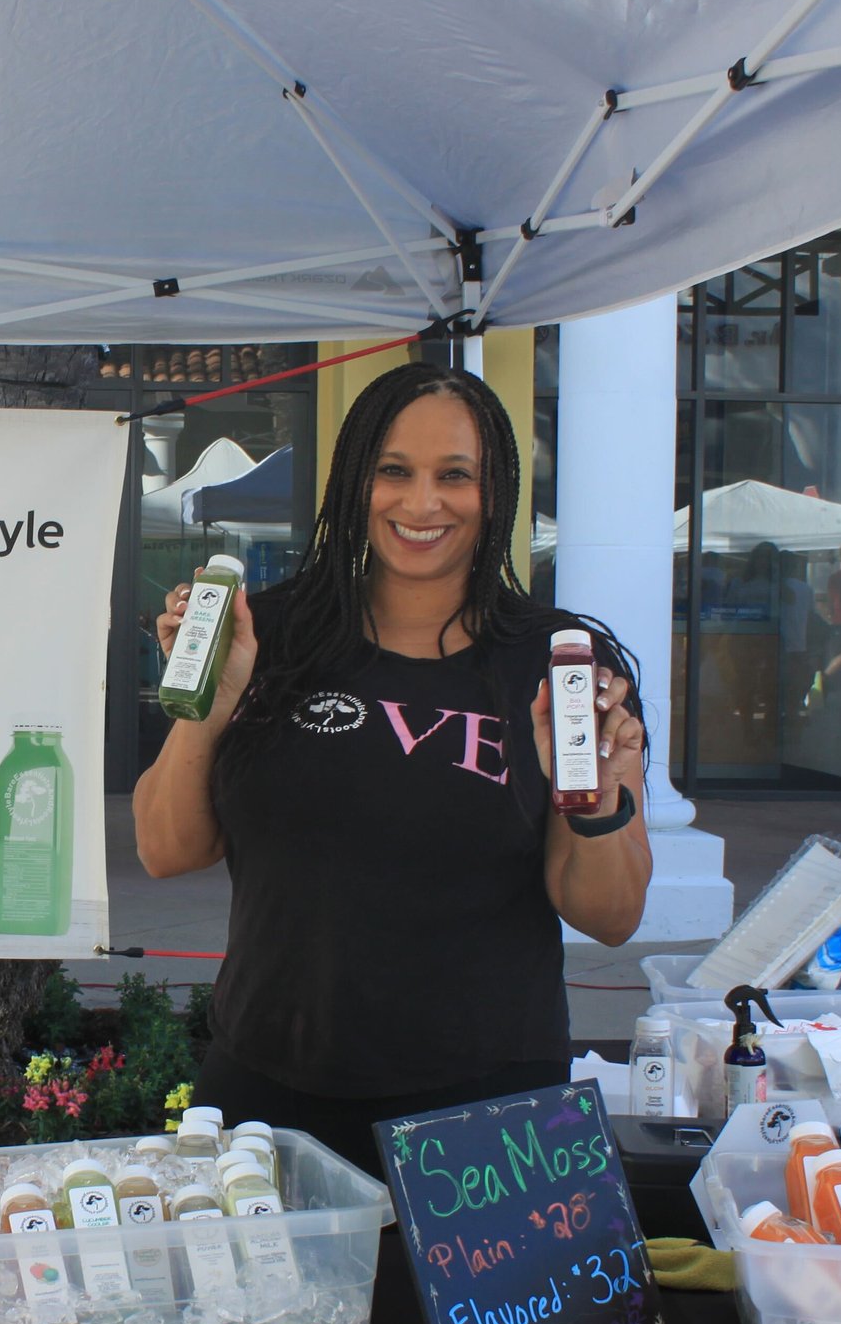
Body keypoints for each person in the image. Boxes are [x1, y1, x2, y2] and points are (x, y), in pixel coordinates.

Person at [133, 363, 651, 1173]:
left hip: (488, 1116)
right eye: (394, 472)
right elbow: (167, 849)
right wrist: (216, 700)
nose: (422, 503)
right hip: (269, 1095)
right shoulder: (265, 634)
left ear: (496, 492)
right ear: (354, 481)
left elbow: (611, 914)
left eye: (456, 476)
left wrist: (598, 801)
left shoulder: (557, 667)